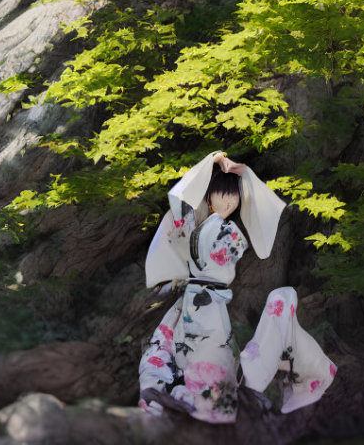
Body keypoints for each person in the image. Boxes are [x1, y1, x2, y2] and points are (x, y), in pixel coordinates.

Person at [138, 152, 336, 424]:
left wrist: (244, 173)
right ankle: (284, 373)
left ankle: (217, 397)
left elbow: (260, 230)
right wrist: (210, 161)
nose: (229, 200)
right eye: (221, 194)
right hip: (197, 304)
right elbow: (180, 199)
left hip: (211, 304)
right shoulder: (197, 225)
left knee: (217, 360)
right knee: (199, 359)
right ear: (208, 195)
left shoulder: (225, 229)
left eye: (234, 196)